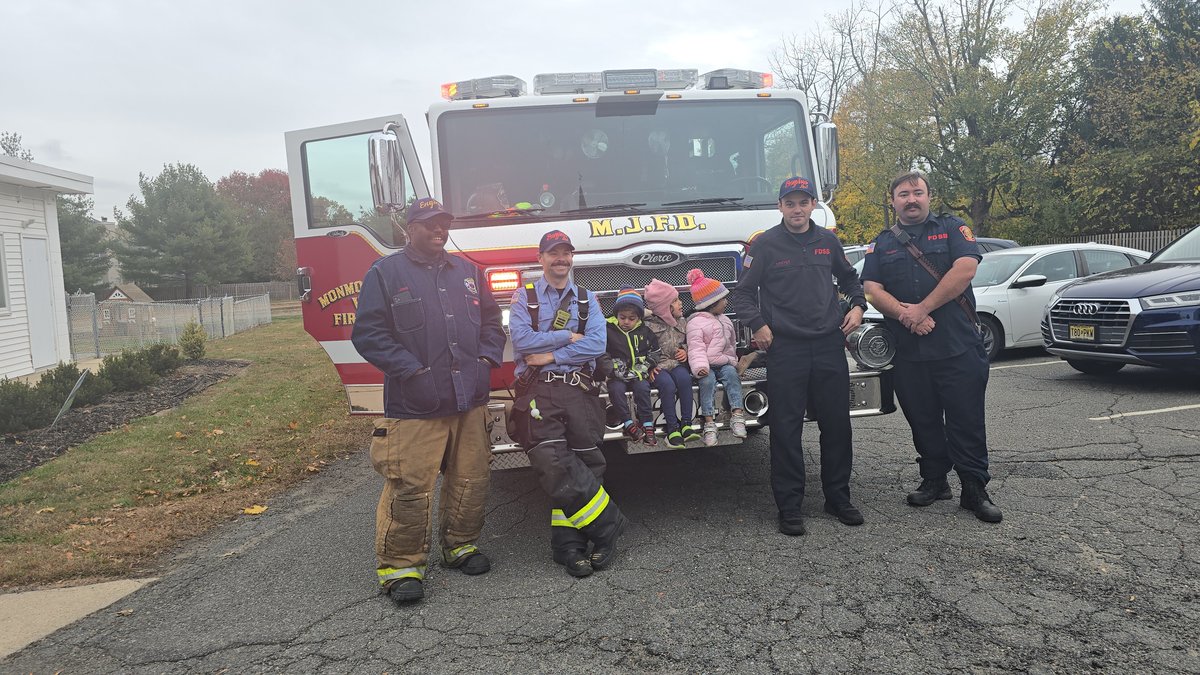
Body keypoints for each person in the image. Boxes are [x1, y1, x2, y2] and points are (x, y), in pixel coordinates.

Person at [350, 198, 506, 604]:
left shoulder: (469, 273)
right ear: (409, 228)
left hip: (468, 398)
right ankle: (400, 566)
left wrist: (487, 359)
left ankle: (460, 546)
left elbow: (492, 322)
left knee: (471, 479)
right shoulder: (385, 274)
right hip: (416, 403)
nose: (439, 230)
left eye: (444, 224)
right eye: (430, 224)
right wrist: (412, 371)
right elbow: (368, 334)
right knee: (410, 486)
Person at [859, 170, 1002, 523]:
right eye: (903, 194)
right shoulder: (882, 242)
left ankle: (974, 488)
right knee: (922, 420)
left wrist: (922, 308)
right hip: (910, 352)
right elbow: (872, 289)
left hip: (957, 346)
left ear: (928, 196)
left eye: (917, 192)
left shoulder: (952, 228)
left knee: (965, 420)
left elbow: (965, 270)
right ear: (893, 202)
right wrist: (907, 316)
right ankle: (935, 481)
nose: (911, 199)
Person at [730, 176, 867, 536]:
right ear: (780, 207)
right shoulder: (766, 245)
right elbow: (741, 295)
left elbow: (851, 280)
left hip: (828, 345)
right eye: (790, 203)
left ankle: (838, 498)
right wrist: (759, 326)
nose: (797, 209)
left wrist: (858, 307)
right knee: (786, 429)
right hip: (786, 349)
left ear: (812, 206)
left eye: (803, 202)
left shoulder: (827, 241)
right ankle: (789, 506)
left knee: (837, 426)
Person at [507, 230, 630, 578]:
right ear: (540, 257)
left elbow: (596, 344)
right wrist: (565, 336)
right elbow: (522, 341)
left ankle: (568, 547)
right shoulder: (524, 296)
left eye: (565, 253)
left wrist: (550, 354)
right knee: (552, 461)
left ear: (571, 258)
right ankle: (609, 527)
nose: (560, 259)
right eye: (553, 253)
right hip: (538, 391)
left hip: (579, 390)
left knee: (587, 463)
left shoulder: (588, 299)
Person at [685, 269, 746, 447]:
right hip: (706, 366)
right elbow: (695, 348)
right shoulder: (695, 323)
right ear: (711, 303)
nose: (726, 302)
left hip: (724, 362)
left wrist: (733, 361)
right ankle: (709, 422)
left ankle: (737, 414)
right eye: (723, 299)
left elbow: (731, 345)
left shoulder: (726, 320)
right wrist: (699, 368)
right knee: (707, 382)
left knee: (732, 377)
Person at [643, 279, 699, 449]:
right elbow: (642, 350)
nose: (680, 303)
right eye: (674, 301)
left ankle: (687, 425)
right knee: (667, 385)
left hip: (676, 364)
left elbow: (692, 340)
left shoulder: (682, 322)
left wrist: (686, 350)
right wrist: (649, 367)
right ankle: (672, 430)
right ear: (663, 307)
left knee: (684, 380)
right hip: (658, 367)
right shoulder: (648, 326)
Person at [604, 288, 662, 446]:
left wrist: (647, 366)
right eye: (622, 317)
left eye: (631, 318)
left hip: (638, 374)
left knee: (643, 389)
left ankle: (647, 425)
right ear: (616, 315)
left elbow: (656, 351)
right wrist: (612, 368)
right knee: (615, 390)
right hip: (617, 375)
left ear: (639, 318)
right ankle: (628, 423)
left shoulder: (645, 331)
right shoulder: (608, 331)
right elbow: (602, 353)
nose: (626, 322)